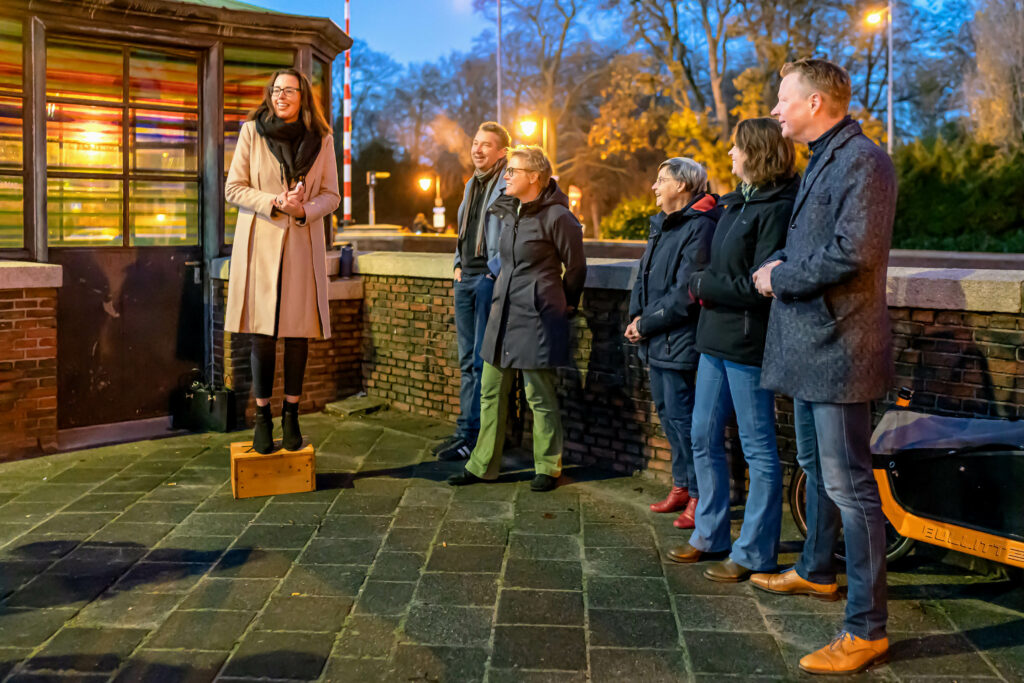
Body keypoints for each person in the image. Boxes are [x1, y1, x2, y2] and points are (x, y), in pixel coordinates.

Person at [750, 58, 897, 675]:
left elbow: (853, 254)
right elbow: (816, 244)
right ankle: (817, 571)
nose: (776, 109)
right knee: (817, 469)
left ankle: (867, 629)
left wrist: (779, 276)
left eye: (785, 99)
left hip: (838, 350)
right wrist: (782, 260)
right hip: (814, 349)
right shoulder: (828, 159)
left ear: (816, 104)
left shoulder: (863, 160)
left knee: (850, 487)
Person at [666, 118, 798, 582]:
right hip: (712, 340)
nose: (728, 153)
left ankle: (755, 553)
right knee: (702, 435)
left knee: (759, 448)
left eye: (736, 147)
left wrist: (703, 285)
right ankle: (710, 534)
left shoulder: (776, 207)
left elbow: (762, 284)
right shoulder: (735, 202)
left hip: (745, 342)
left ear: (756, 152)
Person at [447, 145, 586, 492]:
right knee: (490, 390)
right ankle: (482, 465)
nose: (506, 177)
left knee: (539, 394)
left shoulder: (558, 218)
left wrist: (563, 303)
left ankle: (548, 466)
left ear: (535, 177)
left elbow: (577, 268)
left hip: (536, 316)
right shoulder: (509, 212)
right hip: (503, 314)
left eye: (513, 171)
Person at [224, 68, 339, 454]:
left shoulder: (322, 140)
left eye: (289, 90)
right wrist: (275, 201)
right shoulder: (251, 133)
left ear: (303, 97)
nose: (281, 96)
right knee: (262, 333)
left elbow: (332, 196)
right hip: (261, 244)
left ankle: (291, 414)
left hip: (302, 244)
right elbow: (234, 188)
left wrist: (304, 209)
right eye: (276, 90)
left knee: (297, 332)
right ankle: (262, 417)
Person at [627, 158, 719, 528]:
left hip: (678, 339)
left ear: (682, 186)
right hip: (658, 338)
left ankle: (697, 494)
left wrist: (645, 324)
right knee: (668, 416)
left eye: (661, 179)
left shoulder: (698, 228)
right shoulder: (663, 226)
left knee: (684, 421)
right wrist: (636, 318)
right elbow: (644, 278)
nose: (654, 186)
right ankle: (681, 486)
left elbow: (685, 292)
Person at [434, 122, 511, 462]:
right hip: (465, 279)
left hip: (487, 280)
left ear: (502, 152)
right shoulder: (471, 185)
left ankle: (479, 436)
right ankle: (465, 431)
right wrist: (456, 264)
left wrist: (493, 271)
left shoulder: (507, 184)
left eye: (486, 145)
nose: (477, 150)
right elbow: (463, 229)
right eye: (475, 143)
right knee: (467, 361)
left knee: (482, 363)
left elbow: (511, 232)